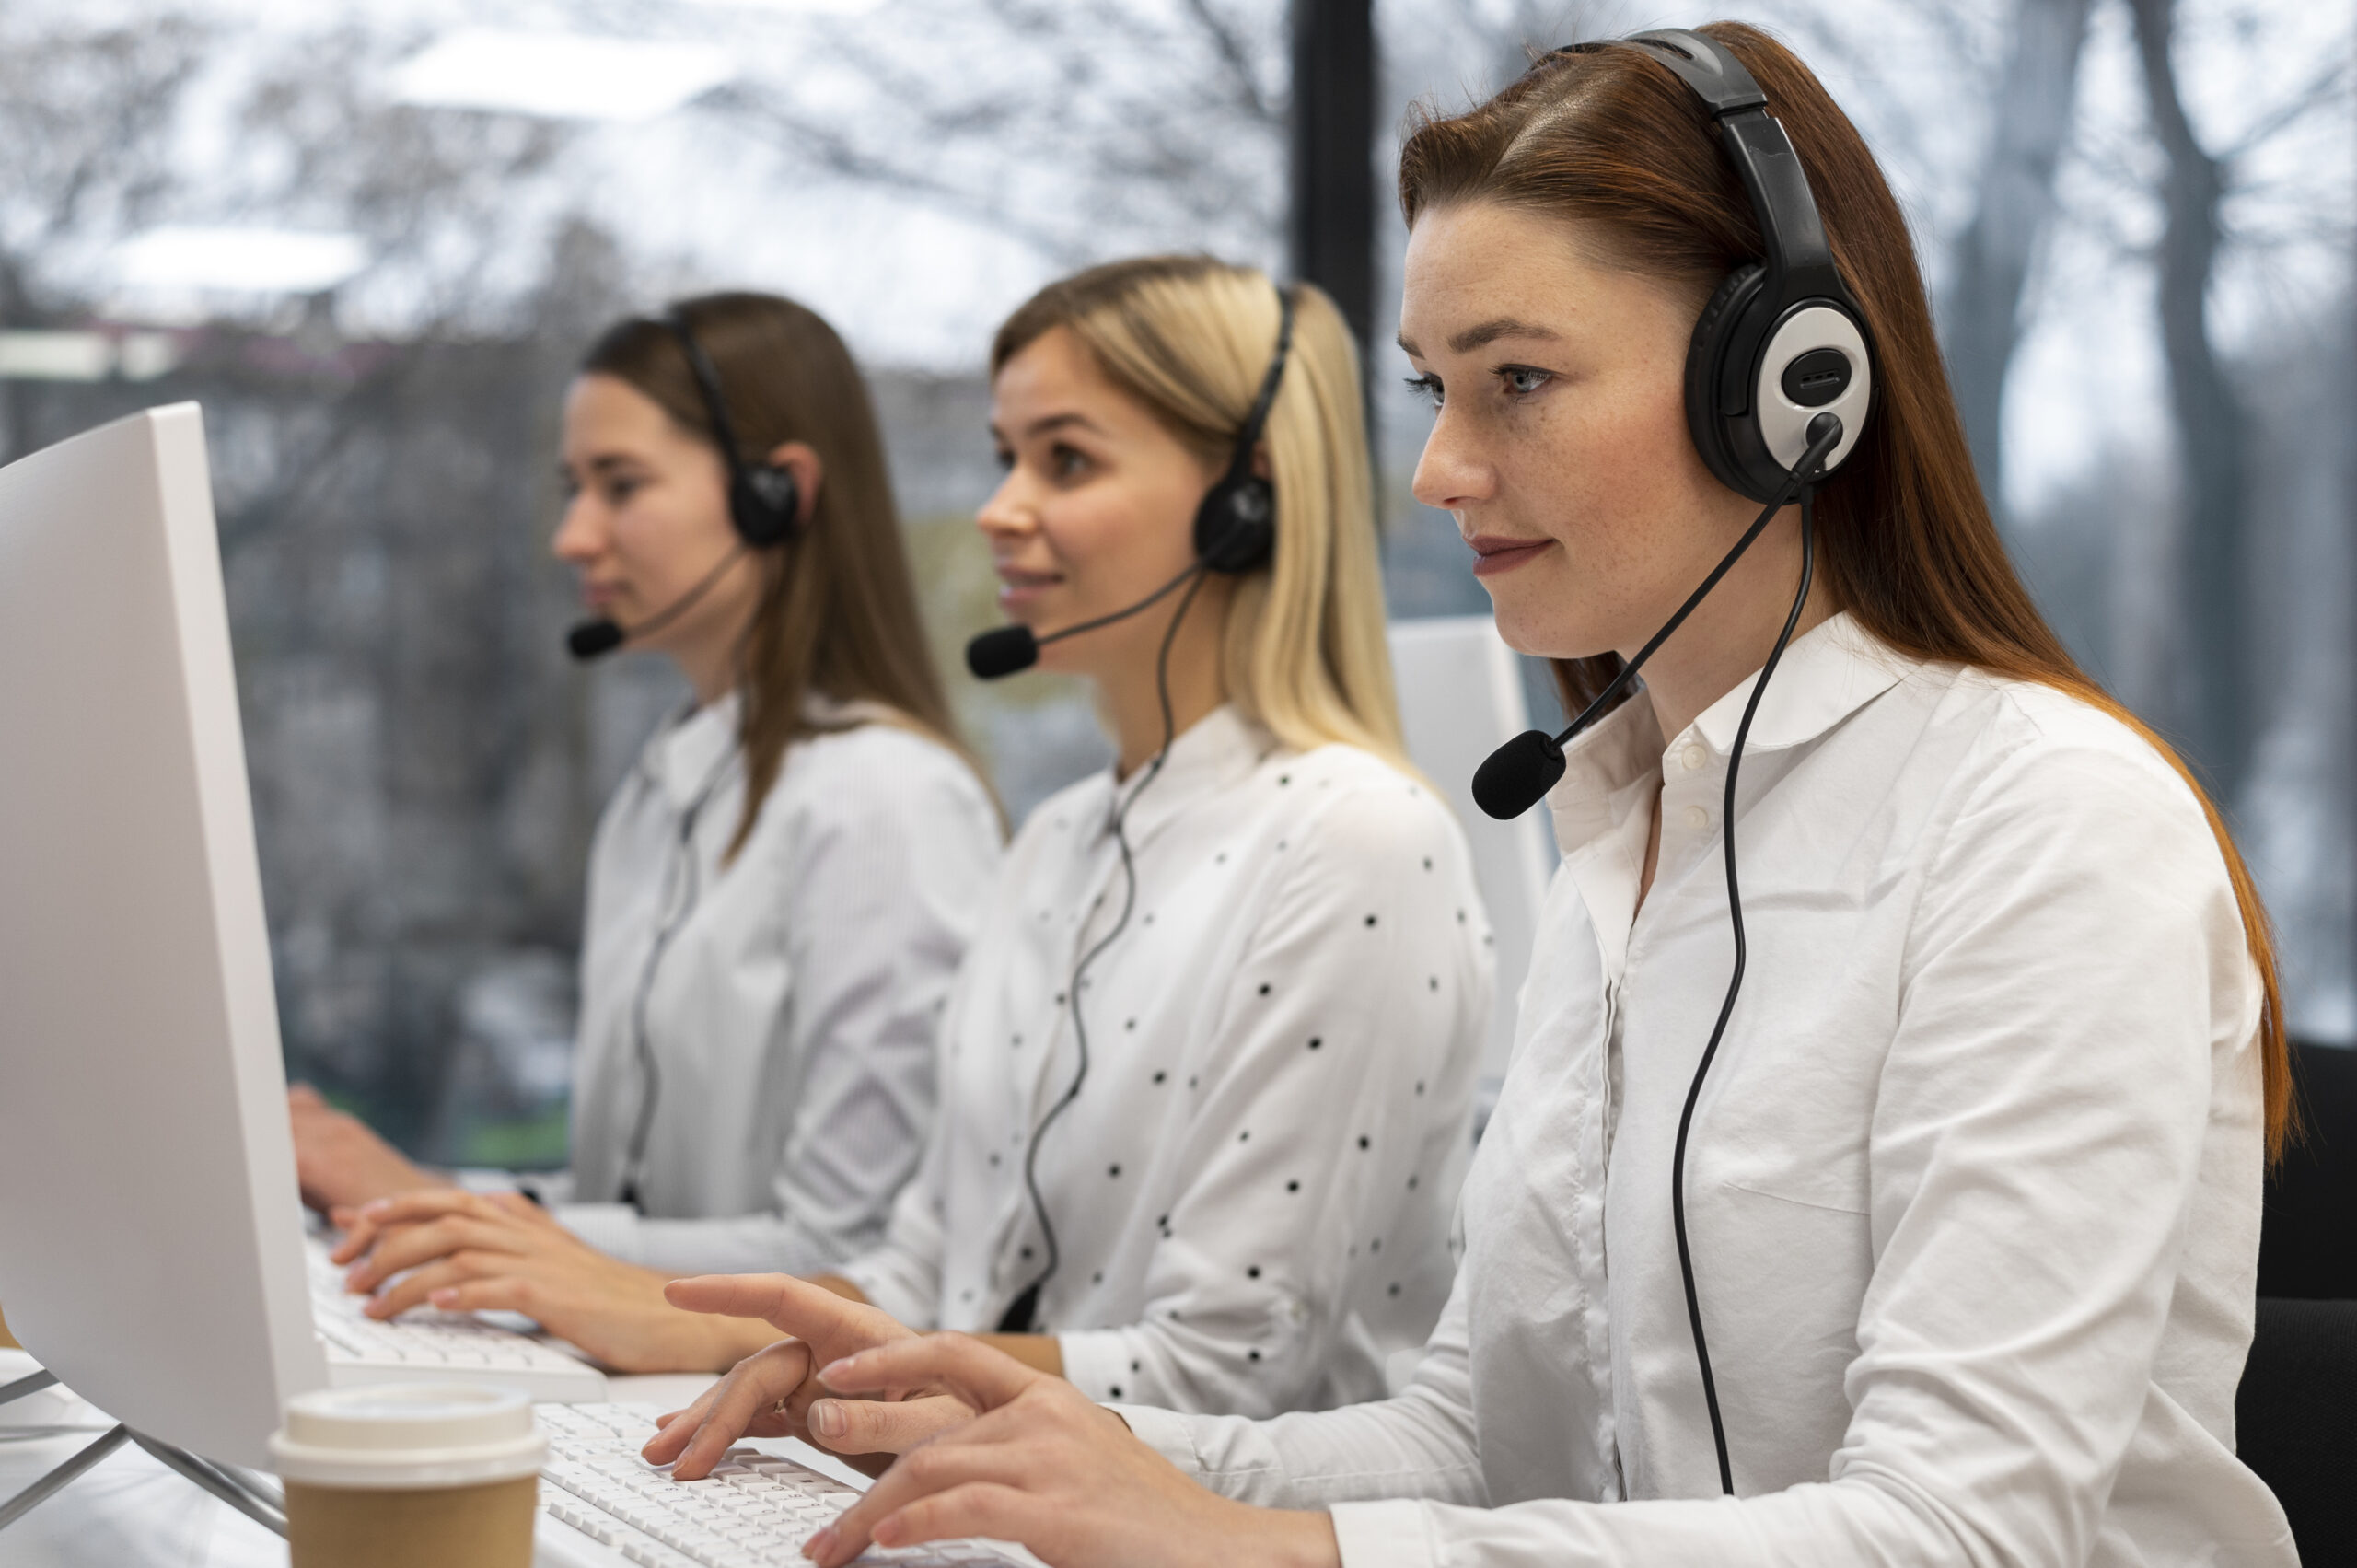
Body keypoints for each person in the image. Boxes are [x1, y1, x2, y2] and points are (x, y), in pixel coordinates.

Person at [642, 26, 2298, 1567]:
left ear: (1790, 387)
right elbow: (1476, 1440)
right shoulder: (1627, 831)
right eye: (1436, 386)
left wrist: (1265, 1548)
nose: (1436, 468)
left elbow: (1959, 1529)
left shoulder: (2047, 823)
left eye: (1517, 379)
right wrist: (1042, 1440)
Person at [338, 255, 1494, 1401]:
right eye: (1005, 458)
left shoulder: (1356, 840)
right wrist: (713, 1338)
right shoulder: (1057, 840)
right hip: (981, 1488)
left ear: (1245, 503)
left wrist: (665, 1313)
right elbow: (919, 1273)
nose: (996, 508)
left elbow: (1225, 1372)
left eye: (1066, 458)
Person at [292, 293, 1003, 1366]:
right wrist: (444, 1209)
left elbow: (848, 1254)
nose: (572, 534)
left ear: (779, 496)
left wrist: (444, 1208)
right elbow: (640, 1203)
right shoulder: (659, 791)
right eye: (572, 488)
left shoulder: (886, 800)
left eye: (620, 485)